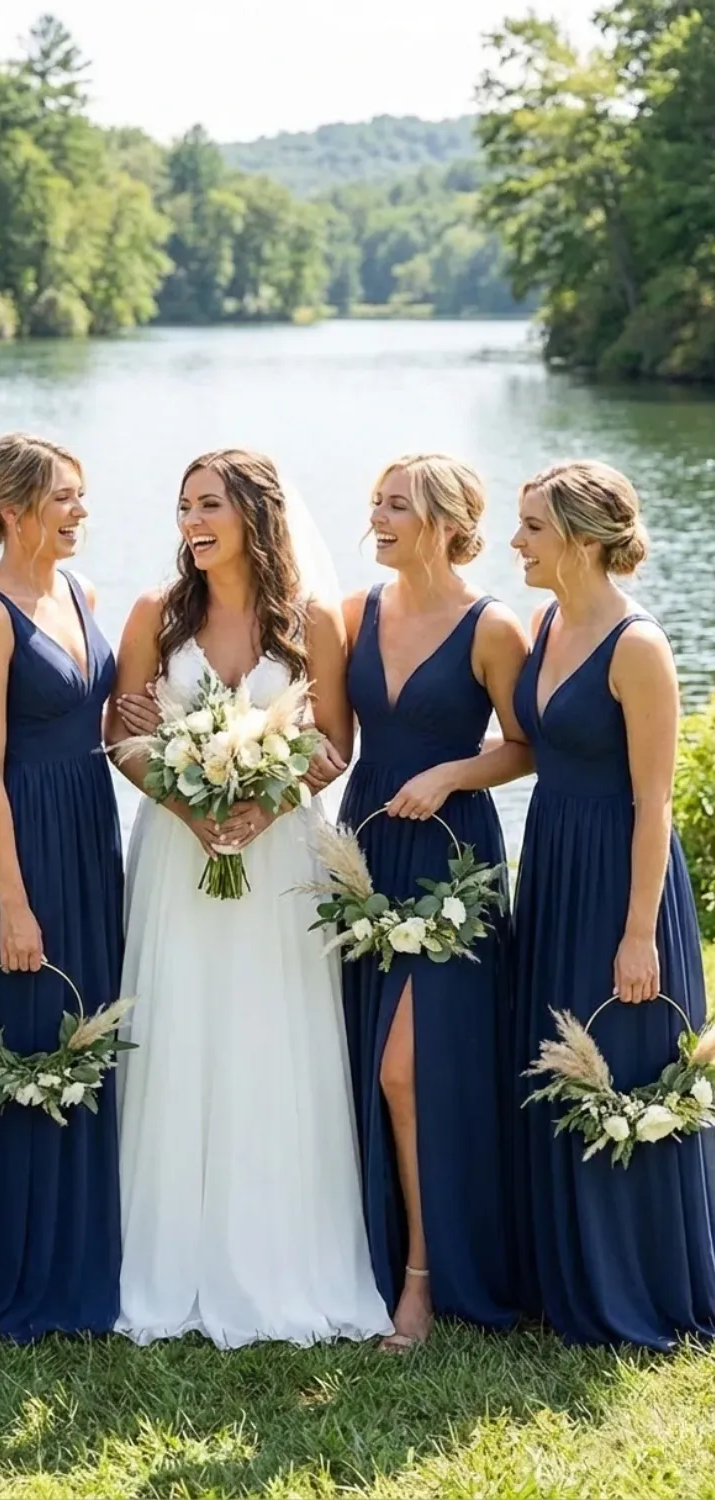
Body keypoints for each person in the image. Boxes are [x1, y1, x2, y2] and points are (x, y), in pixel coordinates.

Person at [108, 448, 392, 1347]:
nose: (192, 521)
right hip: (176, 852)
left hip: (277, 855)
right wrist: (189, 805)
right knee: (179, 1029)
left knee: (271, 1037)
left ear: (256, 515)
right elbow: (121, 733)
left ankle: (280, 1255)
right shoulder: (156, 614)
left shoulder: (310, 618)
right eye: (184, 504)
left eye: (210, 505)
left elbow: (336, 743)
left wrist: (261, 805)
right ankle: (168, 1257)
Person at [511, 458, 715, 1349]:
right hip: (552, 861)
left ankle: (642, 1288)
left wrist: (640, 934)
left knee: (626, 1059)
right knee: (560, 1054)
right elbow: (528, 747)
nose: (515, 542)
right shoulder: (545, 620)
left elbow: (653, 803)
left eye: (532, 529)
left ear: (584, 543)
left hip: (622, 876)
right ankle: (566, 1278)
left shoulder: (639, 647)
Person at [0, 433, 123, 1339]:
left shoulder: (78, 591)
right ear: (11, 510)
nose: (81, 511)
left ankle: (84, 1251)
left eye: (82, 497)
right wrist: (12, 902)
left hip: (89, 833)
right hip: (20, 844)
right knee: (21, 1035)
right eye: (65, 498)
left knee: (86, 1028)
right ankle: (6, 1267)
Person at [340, 453, 530, 1350]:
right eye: (375, 503)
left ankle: (422, 1280)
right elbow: (321, 730)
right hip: (366, 847)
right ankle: (364, 1257)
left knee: (408, 1070)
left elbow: (525, 746)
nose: (377, 518)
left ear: (449, 521)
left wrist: (455, 770)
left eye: (397, 506)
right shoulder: (355, 612)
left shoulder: (494, 627)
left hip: (451, 856)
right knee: (361, 1059)